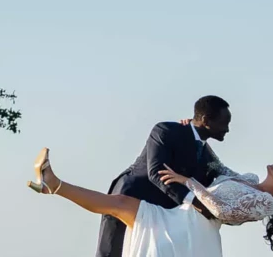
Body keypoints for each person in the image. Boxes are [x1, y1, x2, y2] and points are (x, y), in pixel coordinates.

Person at [30, 147, 273, 257]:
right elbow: (216, 164)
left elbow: (226, 211)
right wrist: (193, 131)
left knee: (119, 204)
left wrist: (188, 183)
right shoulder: (246, 177)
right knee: (118, 203)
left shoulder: (265, 203)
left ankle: (54, 185)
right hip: (183, 215)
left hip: (194, 233)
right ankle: (53, 184)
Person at [87, 97, 234, 257]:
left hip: (163, 214)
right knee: (113, 252)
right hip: (131, 198)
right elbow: (157, 173)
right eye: (224, 122)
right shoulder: (166, 130)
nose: (227, 129)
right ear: (205, 120)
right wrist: (195, 202)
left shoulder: (207, 156)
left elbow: (226, 179)